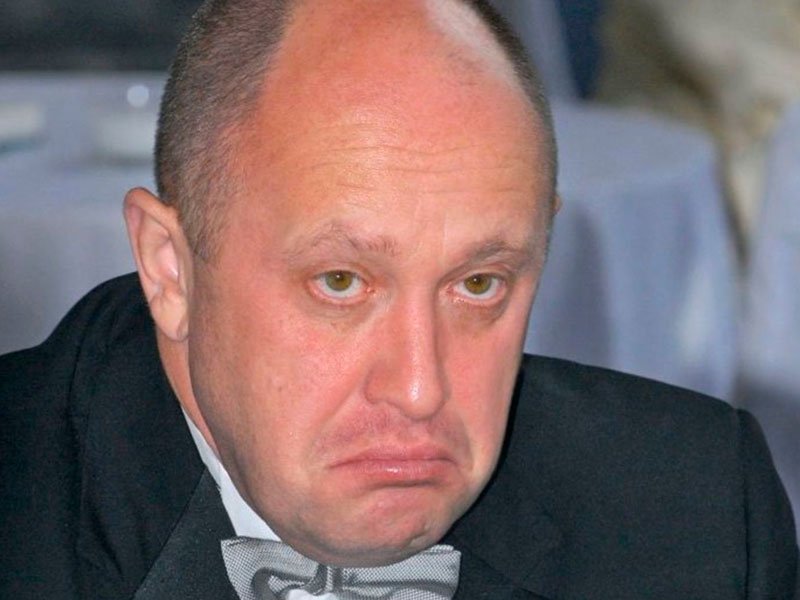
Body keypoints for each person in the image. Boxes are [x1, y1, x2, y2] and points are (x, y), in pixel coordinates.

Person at [0, 0, 796, 598]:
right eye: (341, 283)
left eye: (478, 284)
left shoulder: (699, 516)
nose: (419, 388)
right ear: (171, 271)